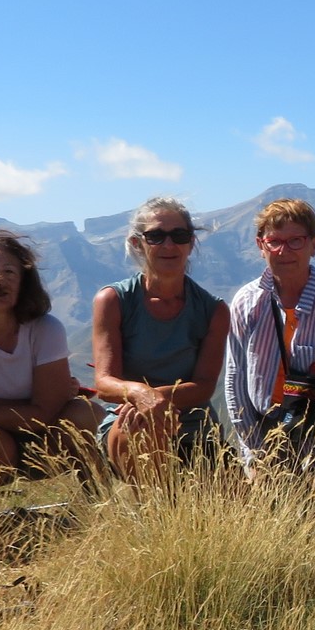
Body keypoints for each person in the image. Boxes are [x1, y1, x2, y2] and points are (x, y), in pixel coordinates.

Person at [0, 228, 103, 512]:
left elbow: (41, 416)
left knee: (89, 415)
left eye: (9, 272)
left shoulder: (46, 328)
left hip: (44, 437)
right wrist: (38, 402)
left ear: (24, 279)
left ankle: (96, 504)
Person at [222, 197, 315, 485]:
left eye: (295, 241)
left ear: (313, 244)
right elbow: (235, 379)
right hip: (262, 442)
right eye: (274, 241)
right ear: (260, 245)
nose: (283, 251)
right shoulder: (246, 302)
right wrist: (254, 452)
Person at [91, 196, 229, 482]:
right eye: (155, 236)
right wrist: (142, 397)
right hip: (128, 421)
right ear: (137, 243)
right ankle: (153, 520)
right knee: (144, 427)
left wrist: (156, 398)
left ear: (191, 242)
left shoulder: (213, 310)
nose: (168, 245)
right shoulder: (113, 300)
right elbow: (104, 383)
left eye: (178, 235)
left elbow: (203, 387)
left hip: (195, 429)